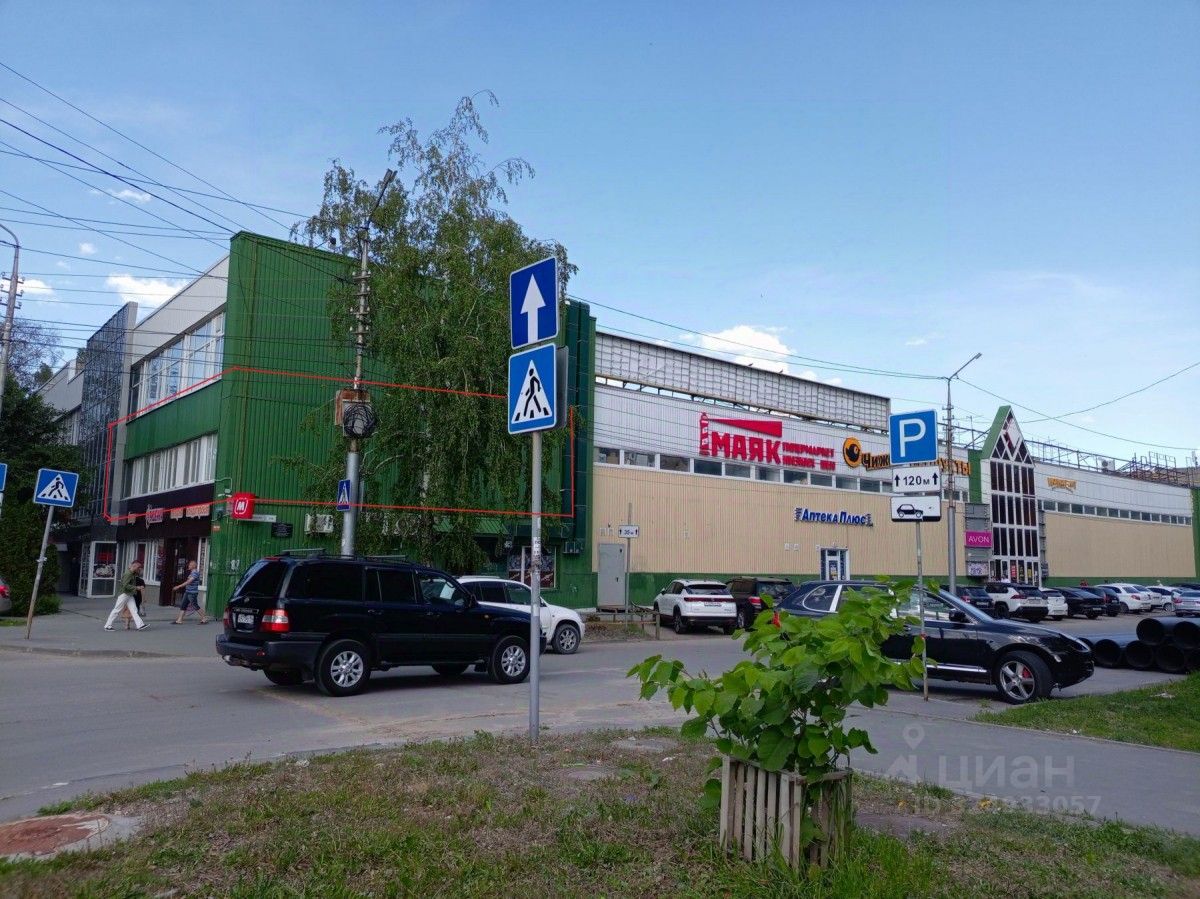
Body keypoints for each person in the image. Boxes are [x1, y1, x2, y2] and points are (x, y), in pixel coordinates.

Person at [104, 561, 147, 631]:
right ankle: (107, 626)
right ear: (134, 566)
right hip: (124, 594)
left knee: (134, 610)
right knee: (117, 609)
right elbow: (125, 585)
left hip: (129, 594)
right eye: (139, 567)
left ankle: (140, 625)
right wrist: (136, 587)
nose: (139, 569)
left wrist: (136, 588)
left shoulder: (132, 573)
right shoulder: (128, 574)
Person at [172, 560, 209, 625]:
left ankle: (204, 618)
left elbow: (189, 582)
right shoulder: (192, 573)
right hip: (188, 592)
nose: (188, 566)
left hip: (192, 593)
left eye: (190, 565)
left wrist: (178, 586)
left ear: (193, 566)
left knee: (195, 606)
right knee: (183, 605)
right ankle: (179, 620)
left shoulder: (195, 573)